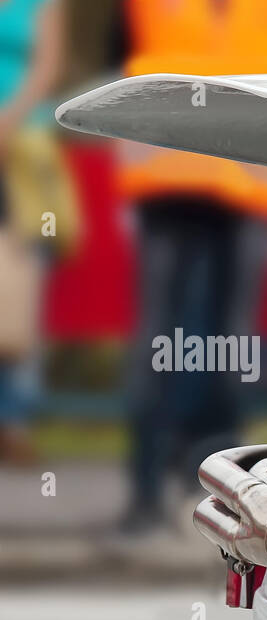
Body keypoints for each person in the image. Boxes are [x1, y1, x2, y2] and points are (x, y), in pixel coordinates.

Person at [117, 0, 267, 532]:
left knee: (222, 341)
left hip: (236, 169)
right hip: (181, 166)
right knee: (181, 338)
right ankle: (158, 492)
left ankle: (207, 490)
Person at [0, 0, 64, 465]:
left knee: (21, 289)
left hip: (22, 152)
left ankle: (14, 421)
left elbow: (48, 66)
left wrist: (9, 121)